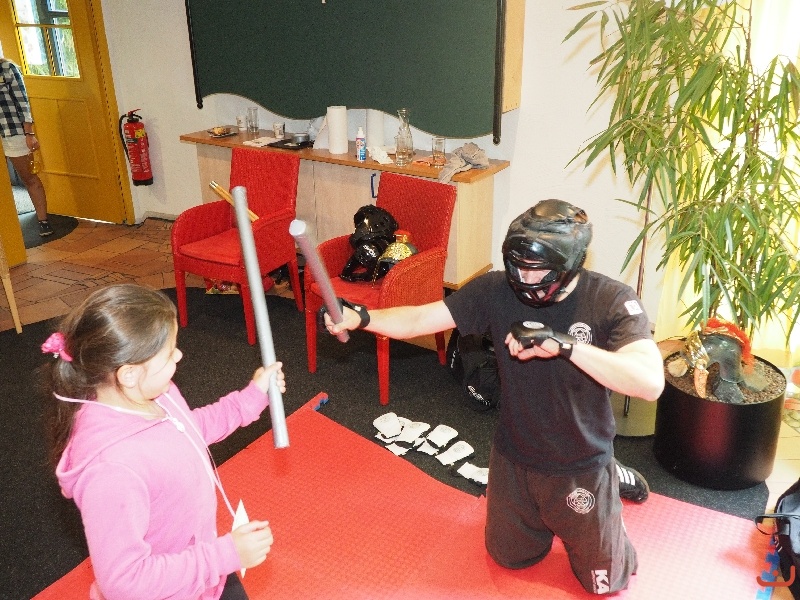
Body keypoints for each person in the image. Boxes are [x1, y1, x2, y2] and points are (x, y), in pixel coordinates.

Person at [325, 200, 665, 594]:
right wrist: (362, 317)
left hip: (580, 459)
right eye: (518, 266)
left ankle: (611, 481)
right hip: (514, 455)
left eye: (537, 269)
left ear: (569, 264)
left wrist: (564, 345)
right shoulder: (496, 289)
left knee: (604, 586)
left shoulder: (610, 300)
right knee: (509, 557)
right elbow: (420, 318)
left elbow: (649, 383)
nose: (525, 278)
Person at [42, 284, 284, 600]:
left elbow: (188, 430)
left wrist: (252, 397)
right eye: (169, 353)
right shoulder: (112, 471)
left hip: (202, 574)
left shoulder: (154, 393)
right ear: (129, 374)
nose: (179, 355)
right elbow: (124, 582)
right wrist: (224, 555)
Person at [0, 44, 52, 236]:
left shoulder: (7, 68)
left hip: (12, 131)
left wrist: (29, 133)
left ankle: (43, 221)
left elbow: (22, 102)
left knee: (28, 177)